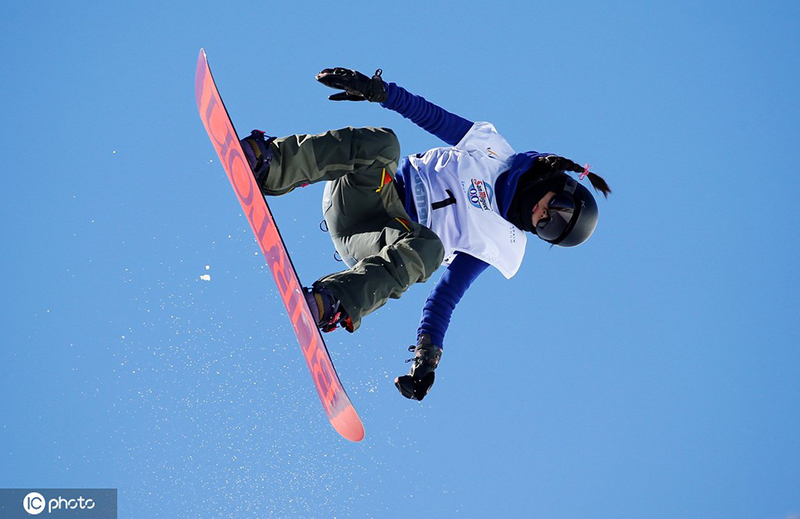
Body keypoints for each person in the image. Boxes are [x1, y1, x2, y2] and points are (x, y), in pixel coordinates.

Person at [239, 68, 611, 401]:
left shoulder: (503, 243)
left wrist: (427, 358)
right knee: (385, 143)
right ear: (557, 183)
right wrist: (376, 90)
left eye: (550, 227)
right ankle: (270, 163)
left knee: (430, 249)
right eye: (559, 208)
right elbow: (429, 115)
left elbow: (446, 297)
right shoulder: (492, 150)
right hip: (362, 195)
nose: (544, 216)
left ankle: (332, 301)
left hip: (378, 239)